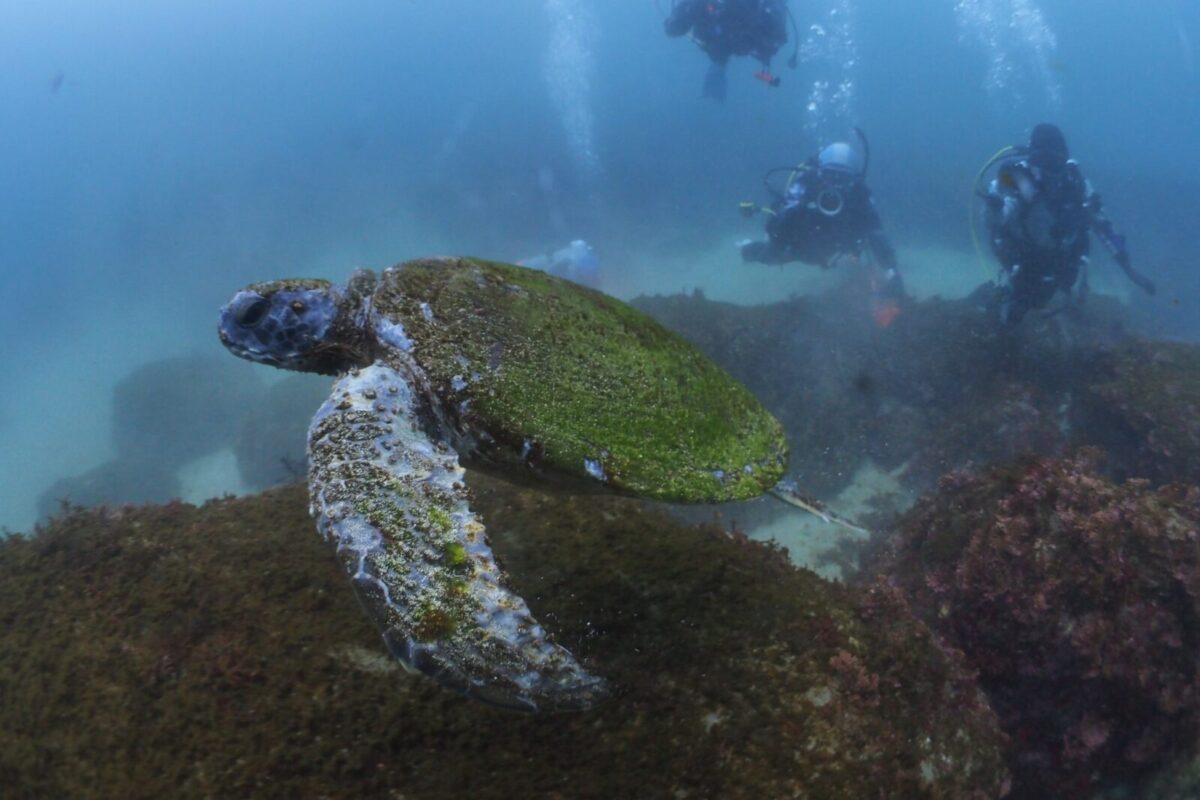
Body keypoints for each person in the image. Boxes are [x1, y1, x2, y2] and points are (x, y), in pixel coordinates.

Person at [982, 123, 1155, 326]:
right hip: (1025, 256)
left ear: (1064, 158)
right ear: (1034, 158)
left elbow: (1104, 226)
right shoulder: (1020, 180)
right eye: (1045, 161)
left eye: (1056, 161)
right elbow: (999, 220)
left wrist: (1129, 269)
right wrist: (994, 208)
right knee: (1017, 307)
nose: (1052, 171)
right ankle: (996, 306)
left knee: (1045, 293)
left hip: (1060, 259)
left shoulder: (1075, 182)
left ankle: (1022, 306)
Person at [740, 137, 905, 300]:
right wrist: (797, 212)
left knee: (856, 266)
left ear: (854, 179)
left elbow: (876, 234)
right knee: (766, 256)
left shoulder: (860, 194)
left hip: (836, 247)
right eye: (830, 175)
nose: (835, 183)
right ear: (819, 172)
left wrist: (893, 273)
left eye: (844, 178)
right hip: (800, 245)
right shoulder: (806, 183)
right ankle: (746, 247)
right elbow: (776, 227)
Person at [664, 0, 792, 100]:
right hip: (723, 42)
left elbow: (776, 32)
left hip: (743, 40)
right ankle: (718, 67)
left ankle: (718, 66)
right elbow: (677, 27)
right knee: (718, 43)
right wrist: (674, 24)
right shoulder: (700, 5)